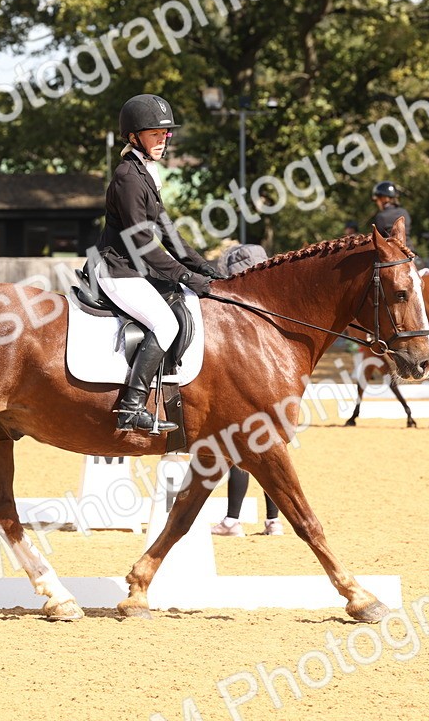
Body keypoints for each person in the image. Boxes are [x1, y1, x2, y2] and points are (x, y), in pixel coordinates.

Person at [95, 94, 221, 433]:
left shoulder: (146, 173)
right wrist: (186, 276)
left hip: (136, 269)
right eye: (155, 134)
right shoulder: (128, 177)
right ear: (134, 136)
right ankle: (132, 407)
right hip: (118, 270)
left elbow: (167, 231)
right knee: (167, 324)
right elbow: (141, 242)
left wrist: (203, 266)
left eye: (165, 135)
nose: (163, 141)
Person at [210, 243, 284, 537]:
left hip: (247, 381)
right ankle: (273, 521)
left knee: (238, 448)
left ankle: (232, 520)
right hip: (277, 383)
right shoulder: (274, 299)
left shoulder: (235, 304)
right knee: (271, 449)